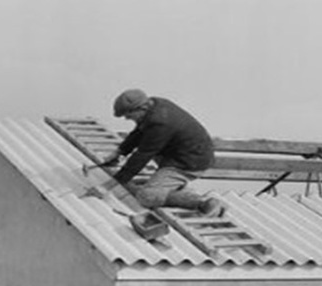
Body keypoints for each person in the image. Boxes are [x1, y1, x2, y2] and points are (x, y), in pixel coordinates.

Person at [93, 89, 224, 217]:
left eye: (128, 115)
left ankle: (205, 203)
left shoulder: (161, 123)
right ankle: (171, 186)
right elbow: (139, 132)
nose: (127, 118)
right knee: (145, 165)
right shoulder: (155, 105)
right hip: (181, 154)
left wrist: (107, 186)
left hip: (189, 164)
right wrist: (120, 152)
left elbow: (141, 156)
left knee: (147, 196)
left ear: (141, 108)